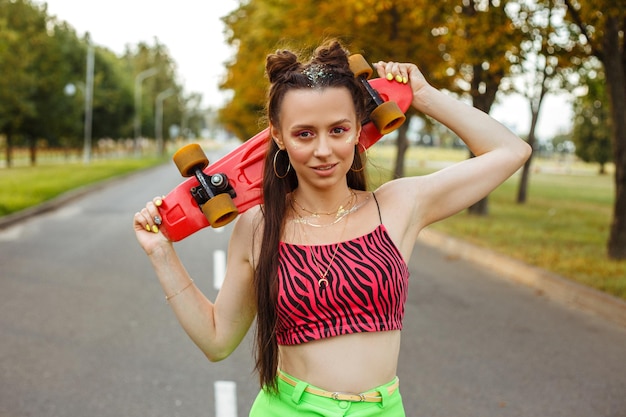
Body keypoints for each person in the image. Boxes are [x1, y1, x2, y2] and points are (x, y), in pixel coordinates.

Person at [133, 39, 532, 416]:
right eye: (304, 134)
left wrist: (424, 96)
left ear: (360, 128)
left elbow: (511, 151)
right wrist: (161, 254)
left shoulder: (397, 207)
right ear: (278, 136)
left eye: (338, 130)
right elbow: (218, 340)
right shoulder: (258, 227)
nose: (323, 150)